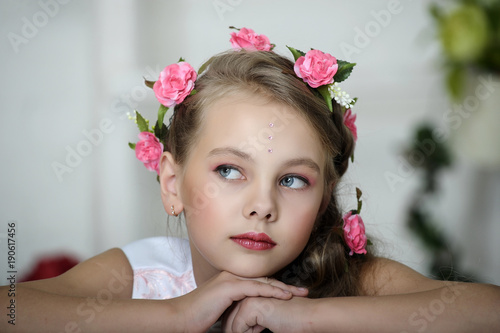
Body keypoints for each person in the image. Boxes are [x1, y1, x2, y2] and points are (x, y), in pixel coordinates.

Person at [2, 27, 499, 333]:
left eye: (293, 180)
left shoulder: (350, 281)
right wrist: (176, 318)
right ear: (172, 183)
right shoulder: (139, 275)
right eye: (230, 171)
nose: (262, 205)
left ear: (326, 195)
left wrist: (305, 319)